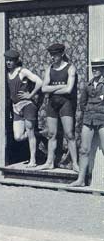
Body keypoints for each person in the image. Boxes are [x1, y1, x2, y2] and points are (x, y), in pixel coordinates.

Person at [37, 43, 80, 172]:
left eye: (55, 55)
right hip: (52, 104)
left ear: (61, 54)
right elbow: (44, 88)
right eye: (51, 55)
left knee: (69, 134)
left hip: (65, 104)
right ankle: (49, 162)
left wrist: (51, 89)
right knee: (51, 134)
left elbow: (68, 90)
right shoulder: (49, 69)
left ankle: (75, 163)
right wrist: (59, 87)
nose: (52, 57)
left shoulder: (70, 68)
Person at [5, 49, 44, 167]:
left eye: (11, 61)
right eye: (7, 60)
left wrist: (30, 95)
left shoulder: (22, 71)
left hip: (27, 105)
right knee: (18, 137)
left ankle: (33, 160)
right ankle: (40, 134)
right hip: (16, 107)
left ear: (16, 61)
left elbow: (39, 82)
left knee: (30, 132)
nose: (8, 63)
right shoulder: (6, 73)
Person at [69, 57, 104, 187]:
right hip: (88, 118)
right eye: (93, 68)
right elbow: (82, 104)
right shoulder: (88, 85)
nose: (95, 70)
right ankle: (81, 180)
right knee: (84, 149)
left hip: (103, 118)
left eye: (98, 68)